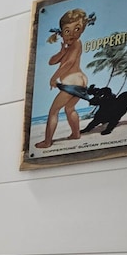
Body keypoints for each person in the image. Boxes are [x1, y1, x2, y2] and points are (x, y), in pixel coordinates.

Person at [35, 8, 96, 149]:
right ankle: (76, 134)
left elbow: (69, 63)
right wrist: (61, 52)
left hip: (72, 82)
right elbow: (51, 61)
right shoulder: (69, 47)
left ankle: (47, 142)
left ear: (82, 30)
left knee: (53, 111)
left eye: (77, 29)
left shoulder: (77, 44)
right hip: (80, 82)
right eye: (68, 31)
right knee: (70, 108)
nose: (72, 34)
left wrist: (53, 78)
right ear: (61, 33)